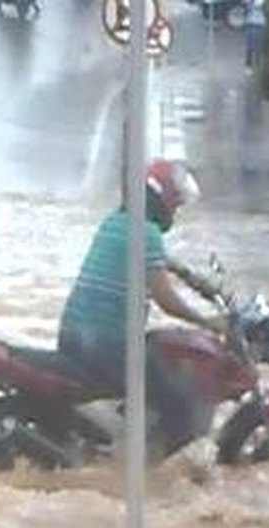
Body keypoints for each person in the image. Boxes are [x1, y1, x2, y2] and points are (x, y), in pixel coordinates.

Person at [57, 159, 224, 463]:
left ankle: (128, 446)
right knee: (180, 403)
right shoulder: (147, 233)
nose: (175, 212)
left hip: (72, 335)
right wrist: (208, 321)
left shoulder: (115, 222)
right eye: (175, 205)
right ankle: (156, 480)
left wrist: (194, 279)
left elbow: (161, 262)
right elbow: (165, 300)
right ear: (161, 202)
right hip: (107, 343)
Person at [243, 0, 266, 72]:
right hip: (250, 24)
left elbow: (261, 6)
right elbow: (244, 4)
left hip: (261, 25)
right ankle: (249, 66)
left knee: (259, 48)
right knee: (250, 47)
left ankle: (258, 66)